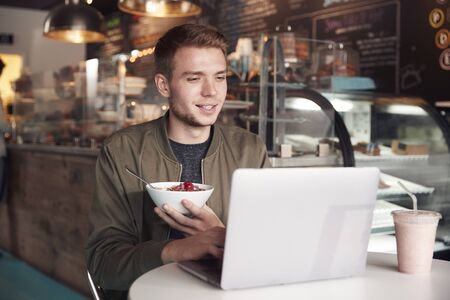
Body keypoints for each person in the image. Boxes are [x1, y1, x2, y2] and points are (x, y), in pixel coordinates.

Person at [85, 24, 270, 299]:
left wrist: (221, 235)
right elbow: (103, 264)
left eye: (220, 77)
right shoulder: (122, 151)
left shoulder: (250, 150)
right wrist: (178, 250)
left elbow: (269, 252)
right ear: (164, 85)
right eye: (194, 79)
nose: (212, 91)